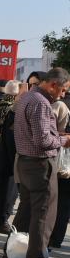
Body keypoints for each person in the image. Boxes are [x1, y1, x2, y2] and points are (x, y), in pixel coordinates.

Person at [6, 67, 70, 258]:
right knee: (44, 213)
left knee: (25, 210)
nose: (63, 95)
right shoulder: (41, 103)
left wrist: (55, 135)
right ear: (53, 84)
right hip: (40, 163)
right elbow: (43, 141)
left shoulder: (27, 97)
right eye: (63, 90)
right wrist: (63, 140)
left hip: (25, 161)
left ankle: (11, 253)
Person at [0, 80, 21, 234]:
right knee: (8, 191)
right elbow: (12, 137)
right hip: (8, 156)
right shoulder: (14, 109)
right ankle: (2, 221)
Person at [50, 98, 70, 249]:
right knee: (63, 203)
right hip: (62, 162)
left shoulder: (61, 103)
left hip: (60, 161)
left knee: (59, 201)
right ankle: (55, 238)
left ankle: (53, 238)